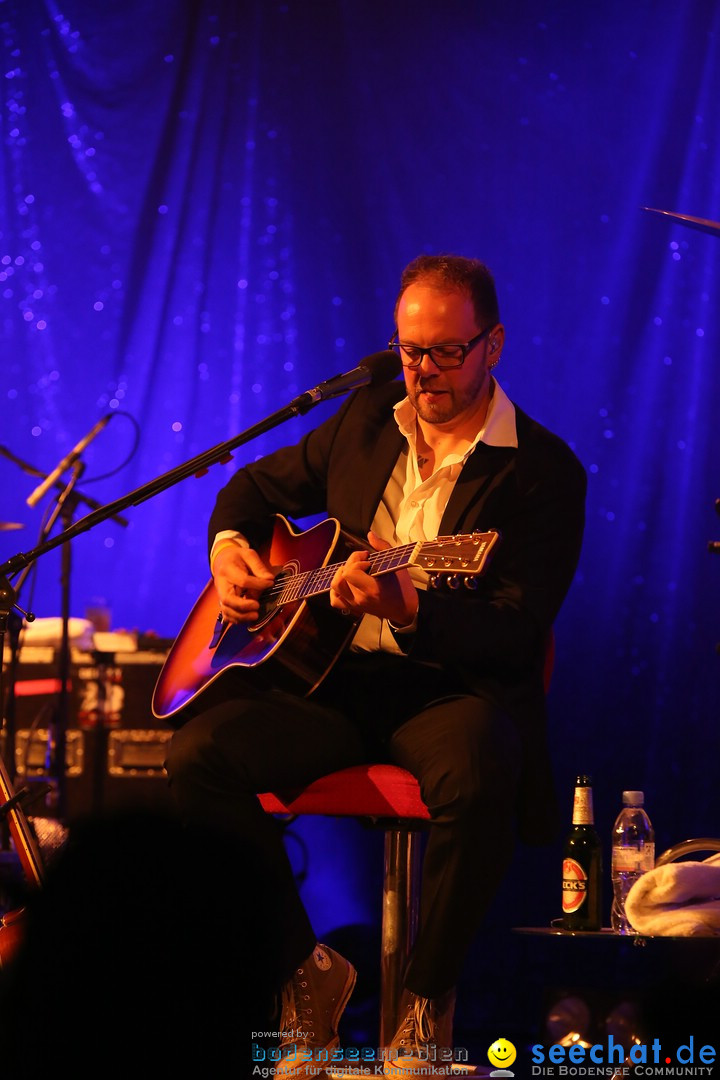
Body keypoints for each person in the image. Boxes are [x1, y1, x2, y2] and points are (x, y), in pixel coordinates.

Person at [165, 253, 587, 1077]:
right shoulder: (363, 419)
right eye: (408, 351)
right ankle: (307, 975)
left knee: (480, 761)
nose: (423, 371)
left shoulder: (542, 472)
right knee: (196, 756)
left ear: (493, 344)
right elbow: (250, 490)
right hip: (334, 683)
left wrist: (414, 609)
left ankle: (424, 1006)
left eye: (445, 352)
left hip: (447, 691)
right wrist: (230, 553)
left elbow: (516, 630)